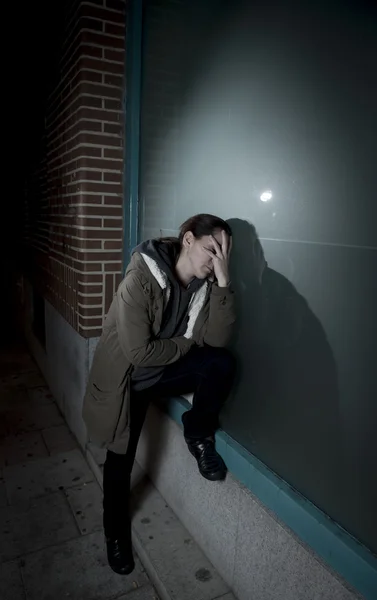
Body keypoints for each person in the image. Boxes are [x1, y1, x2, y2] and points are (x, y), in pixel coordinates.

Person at [82, 213, 236, 575]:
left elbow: (214, 340)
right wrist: (184, 345)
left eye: (224, 255)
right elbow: (138, 353)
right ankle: (115, 534)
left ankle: (198, 436)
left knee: (221, 363)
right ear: (187, 240)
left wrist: (224, 283)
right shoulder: (141, 277)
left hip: (162, 372)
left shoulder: (206, 283)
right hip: (130, 380)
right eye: (211, 249)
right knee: (120, 461)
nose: (215, 261)